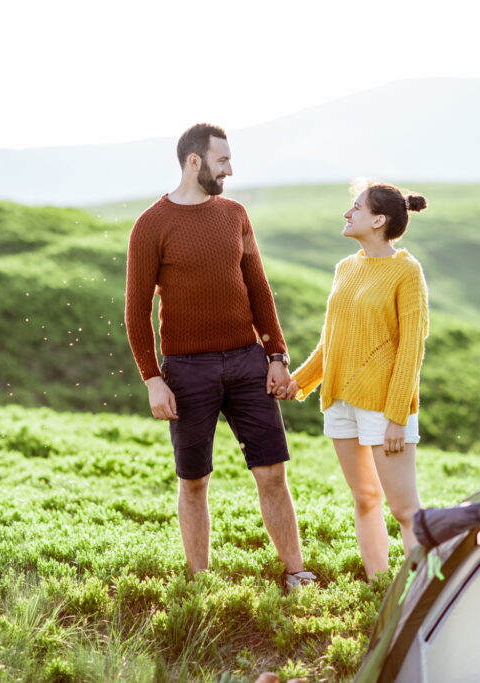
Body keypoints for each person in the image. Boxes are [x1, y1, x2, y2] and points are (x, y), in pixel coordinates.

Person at [124, 123, 315, 588]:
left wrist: (276, 355)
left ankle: (296, 572)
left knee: (272, 474)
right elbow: (135, 310)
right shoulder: (152, 224)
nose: (230, 169)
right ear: (195, 161)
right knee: (193, 481)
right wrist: (152, 378)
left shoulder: (235, 214)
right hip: (187, 371)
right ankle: (201, 582)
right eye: (222, 160)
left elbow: (258, 287)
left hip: (248, 363)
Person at [285, 181, 429, 579]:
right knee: (365, 498)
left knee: (404, 509)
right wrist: (299, 382)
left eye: (356, 208)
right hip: (340, 401)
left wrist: (397, 416)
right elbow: (333, 339)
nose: (347, 214)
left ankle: (423, 592)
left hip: (384, 406)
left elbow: (412, 347)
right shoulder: (345, 268)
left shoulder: (406, 271)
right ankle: (378, 585)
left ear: (378, 220)